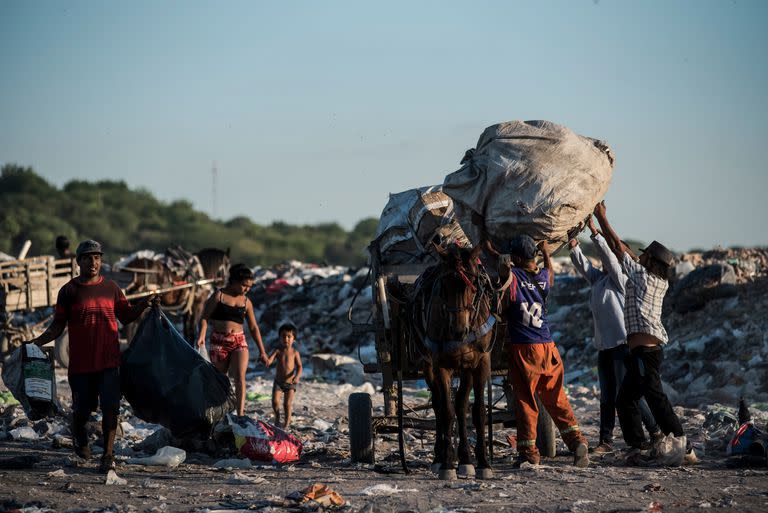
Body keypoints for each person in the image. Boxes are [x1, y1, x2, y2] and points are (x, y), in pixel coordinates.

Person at [26, 239, 156, 473]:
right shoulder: (69, 291)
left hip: (109, 361)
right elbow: (57, 326)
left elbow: (125, 317)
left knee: (111, 407)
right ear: (78, 262)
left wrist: (144, 304)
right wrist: (37, 342)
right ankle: (78, 434)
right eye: (88, 258)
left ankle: (108, 454)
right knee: (83, 410)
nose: (93, 262)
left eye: (97, 257)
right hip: (81, 364)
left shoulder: (112, 288)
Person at [592, 201, 696, 464]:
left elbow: (618, 247)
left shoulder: (641, 276)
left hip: (645, 354)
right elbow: (621, 251)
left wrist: (601, 218)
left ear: (650, 260)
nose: (640, 257)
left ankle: (685, 445)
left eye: (644, 255)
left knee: (655, 398)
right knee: (625, 399)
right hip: (643, 351)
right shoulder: (659, 281)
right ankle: (639, 444)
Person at [569, 217, 661, 454]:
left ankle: (654, 431)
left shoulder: (623, 281)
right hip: (604, 348)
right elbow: (583, 266)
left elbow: (610, 258)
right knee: (607, 396)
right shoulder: (599, 281)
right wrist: (573, 245)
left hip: (622, 346)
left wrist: (594, 232)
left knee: (628, 395)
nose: (605, 263)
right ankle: (606, 440)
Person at [503, 234, 589, 467]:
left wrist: (490, 249)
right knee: (556, 398)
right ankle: (576, 441)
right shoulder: (542, 277)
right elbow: (550, 273)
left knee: (526, 401)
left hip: (524, 349)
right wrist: (547, 253)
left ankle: (529, 453)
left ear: (518, 259)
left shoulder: (513, 277)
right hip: (548, 347)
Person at [196, 263, 268, 416]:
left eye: (249, 287)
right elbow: (204, 318)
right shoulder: (219, 296)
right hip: (219, 342)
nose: (246, 289)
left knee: (240, 377)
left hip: (239, 341)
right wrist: (201, 335)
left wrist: (262, 351)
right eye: (244, 285)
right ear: (234, 281)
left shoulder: (246, 302)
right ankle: (218, 412)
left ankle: (240, 414)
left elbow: (254, 327)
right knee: (220, 380)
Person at [265, 322, 303, 428]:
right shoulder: (277, 351)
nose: (286, 339)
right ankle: (277, 417)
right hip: (278, 382)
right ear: (279, 338)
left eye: (289, 336)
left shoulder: (295, 353)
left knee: (287, 404)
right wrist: (266, 360)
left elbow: (300, 366)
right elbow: (270, 360)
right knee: (275, 402)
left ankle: (286, 424)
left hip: (290, 383)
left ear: (294, 339)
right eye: (283, 336)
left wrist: (297, 376)